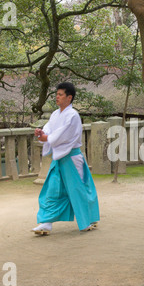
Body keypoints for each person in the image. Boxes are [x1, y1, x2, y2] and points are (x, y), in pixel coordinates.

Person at [31, 82, 99, 235]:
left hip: (72, 158)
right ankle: (46, 223)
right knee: (52, 189)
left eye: (60, 94)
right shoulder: (56, 114)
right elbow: (50, 129)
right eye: (57, 94)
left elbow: (62, 135)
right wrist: (41, 133)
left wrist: (47, 138)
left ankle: (87, 220)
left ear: (69, 98)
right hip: (59, 157)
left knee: (78, 189)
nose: (57, 97)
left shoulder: (72, 115)